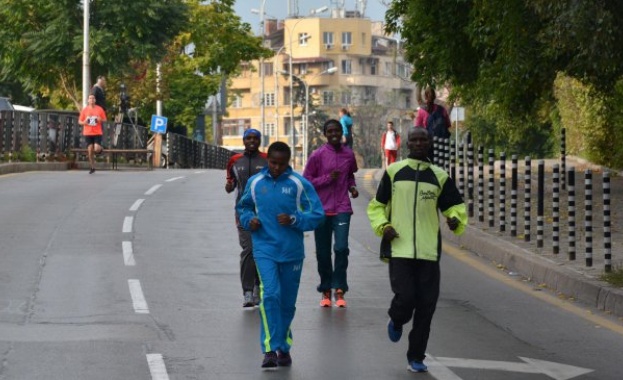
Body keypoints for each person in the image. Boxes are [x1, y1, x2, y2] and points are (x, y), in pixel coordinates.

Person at [366, 127, 467, 373]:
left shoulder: (439, 176)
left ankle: (416, 356)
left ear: (430, 142)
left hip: (429, 251)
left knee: (426, 306)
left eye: (423, 139)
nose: (419, 143)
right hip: (399, 249)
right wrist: (384, 226)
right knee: (406, 297)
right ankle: (397, 318)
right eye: (415, 139)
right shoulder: (394, 172)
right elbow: (377, 206)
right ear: (407, 144)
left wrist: (454, 219)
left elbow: (455, 207)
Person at [237, 141, 324, 370]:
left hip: (292, 253)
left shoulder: (299, 184)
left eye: (281, 164)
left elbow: (317, 214)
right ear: (268, 161)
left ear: (288, 163)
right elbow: (243, 207)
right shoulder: (255, 183)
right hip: (264, 249)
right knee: (270, 296)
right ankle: (269, 349)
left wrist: (295, 220)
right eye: (273, 163)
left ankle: (284, 345)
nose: (276, 168)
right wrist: (249, 220)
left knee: (287, 304)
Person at [303, 119, 359, 308]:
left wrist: (352, 188)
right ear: (325, 134)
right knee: (323, 252)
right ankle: (326, 288)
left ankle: (340, 288)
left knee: (341, 248)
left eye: (337, 131)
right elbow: (306, 181)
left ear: (341, 132)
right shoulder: (317, 155)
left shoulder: (349, 154)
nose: (334, 134)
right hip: (322, 210)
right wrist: (327, 178)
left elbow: (350, 175)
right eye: (330, 131)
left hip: (342, 208)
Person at [225, 129, 268, 308]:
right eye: (248, 138)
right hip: (242, 213)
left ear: (259, 140)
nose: (251, 141)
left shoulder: (266, 159)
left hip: (264, 214)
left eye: (255, 138)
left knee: (261, 252)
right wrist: (229, 185)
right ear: (243, 141)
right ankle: (248, 292)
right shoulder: (235, 161)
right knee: (249, 250)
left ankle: (259, 288)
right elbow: (229, 186)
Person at [415, 86, 451, 160]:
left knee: (428, 164)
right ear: (435, 97)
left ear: (425, 96)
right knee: (440, 164)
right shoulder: (442, 110)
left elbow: (417, 128)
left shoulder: (421, 111)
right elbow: (448, 125)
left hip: (427, 143)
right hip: (441, 143)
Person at [78, 94, 107, 174]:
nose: (91, 99)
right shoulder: (85, 110)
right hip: (88, 132)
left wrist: (99, 119)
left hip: (97, 132)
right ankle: (92, 167)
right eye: (90, 98)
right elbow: (80, 121)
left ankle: (101, 149)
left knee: (96, 149)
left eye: (93, 98)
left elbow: (104, 119)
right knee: (90, 150)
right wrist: (84, 122)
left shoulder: (99, 109)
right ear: (88, 100)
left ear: (95, 100)